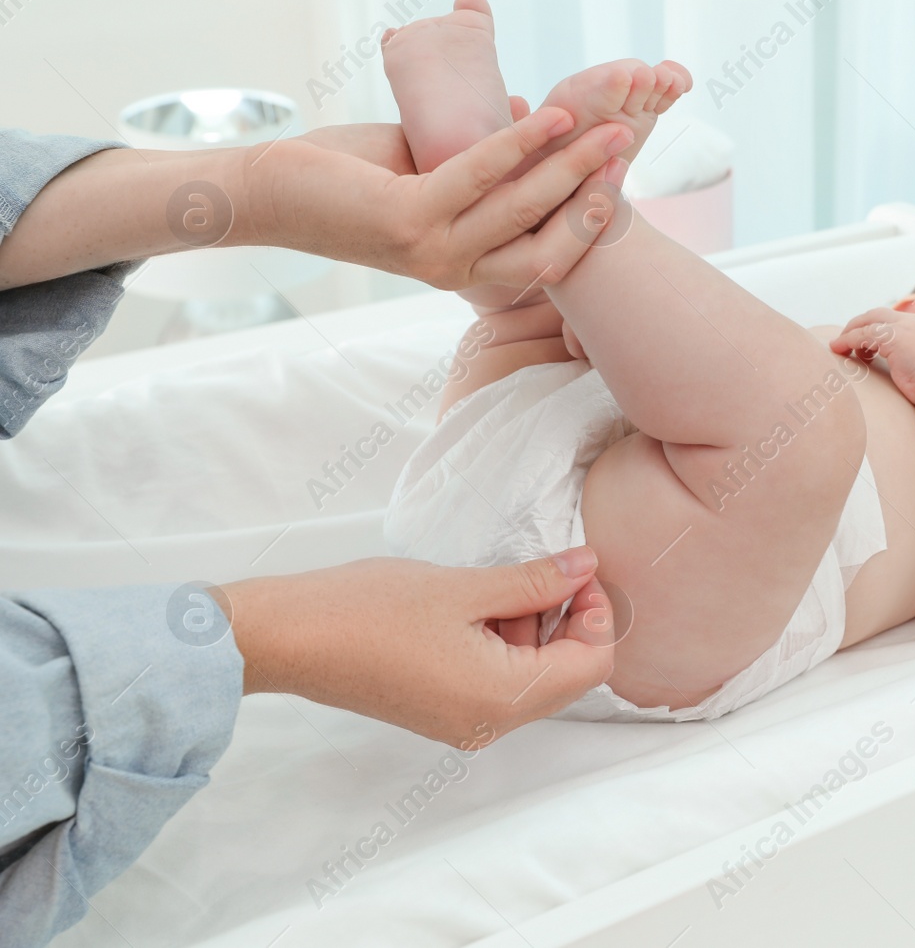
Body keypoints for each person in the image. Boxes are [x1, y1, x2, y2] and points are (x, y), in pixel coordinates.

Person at [0, 70, 641, 944]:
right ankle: (563, 202)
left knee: (530, 328)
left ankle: (516, 170)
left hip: (484, 519)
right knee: (605, 349)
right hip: (580, 569)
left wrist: (258, 188)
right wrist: (262, 634)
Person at [379, 0, 915, 723]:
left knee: (802, 423)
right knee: (542, 326)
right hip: (495, 472)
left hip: (639, 605)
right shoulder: (842, 352)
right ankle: (499, 195)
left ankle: (571, 217)